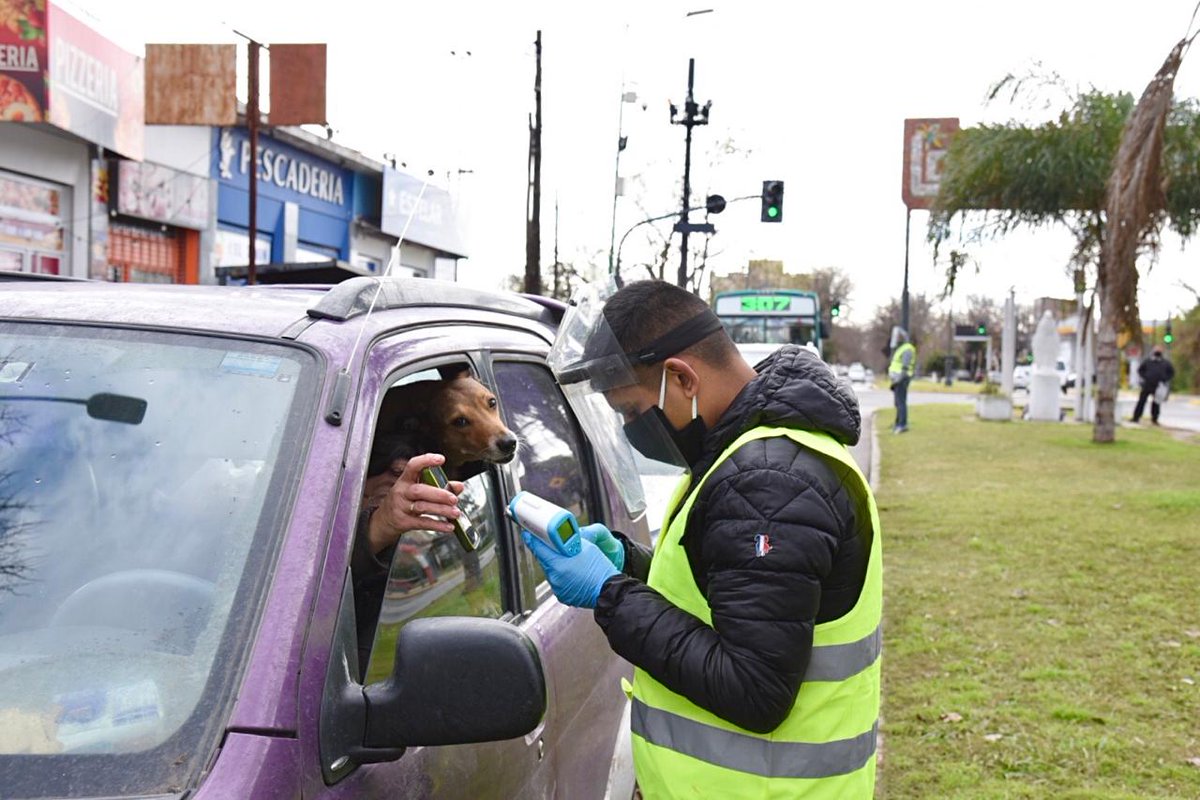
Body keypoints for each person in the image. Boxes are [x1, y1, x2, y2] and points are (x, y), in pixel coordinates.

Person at [522, 280, 882, 799]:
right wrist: (629, 563)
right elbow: (733, 590)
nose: (630, 428)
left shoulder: (768, 479)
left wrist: (610, 594)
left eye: (630, 410)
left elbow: (754, 688)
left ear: (681, 378)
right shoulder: (750, 451)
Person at [351, 436, 464, 676]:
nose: (398, 487)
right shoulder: (309, 539)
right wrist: (379, 525)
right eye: (394, 472)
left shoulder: (421, 543)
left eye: (411, 480)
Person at [1132, 346, 1175, 425]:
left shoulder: (1165, 363)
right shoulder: (1148, 361)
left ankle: (1154, 419)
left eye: (1159, 351)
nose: (1157, 353)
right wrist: (1145, 377)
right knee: (1141, 401)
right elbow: (1140, 370)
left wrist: (1164, 379)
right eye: (1156, 351)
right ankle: (1136, 417)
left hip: (1158, 386)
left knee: (1156, 403)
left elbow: (1171, 373)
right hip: (1147, 384)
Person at [887, 327, 916, 433]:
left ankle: (902, 425)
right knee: (898, 403)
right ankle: (898, 423)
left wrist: (897, 380)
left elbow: (905, 367)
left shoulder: (907, 349)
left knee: (901, 402)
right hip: (898, 380)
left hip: (901, 379)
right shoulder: (902, 348)